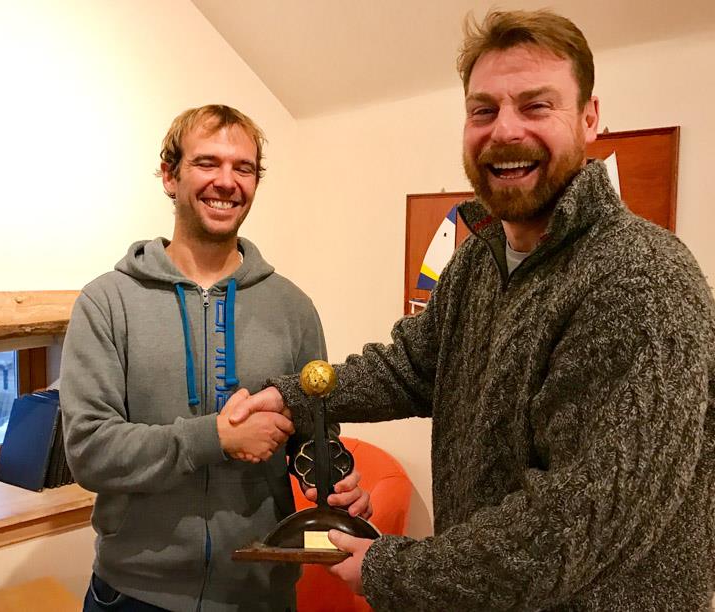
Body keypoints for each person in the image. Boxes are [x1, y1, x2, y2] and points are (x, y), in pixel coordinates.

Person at [228, 10, 715, 611]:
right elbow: (412, 366)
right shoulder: (478, 262)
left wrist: (391, 569)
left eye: (537, 106)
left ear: (590, 117)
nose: (504, 131)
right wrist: (293, 395)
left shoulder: (643, 280)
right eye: (484, 110)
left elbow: (573, 524)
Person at [60, 104, 370, 612]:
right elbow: (89, 451)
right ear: (169, 175)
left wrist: (334, 486)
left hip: (259, 593)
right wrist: (215, 438)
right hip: (133, 594)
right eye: (208, 163)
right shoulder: (107, 302)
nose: (227, 182)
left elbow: (313, 436)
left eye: (243, 168)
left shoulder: (293, 308)